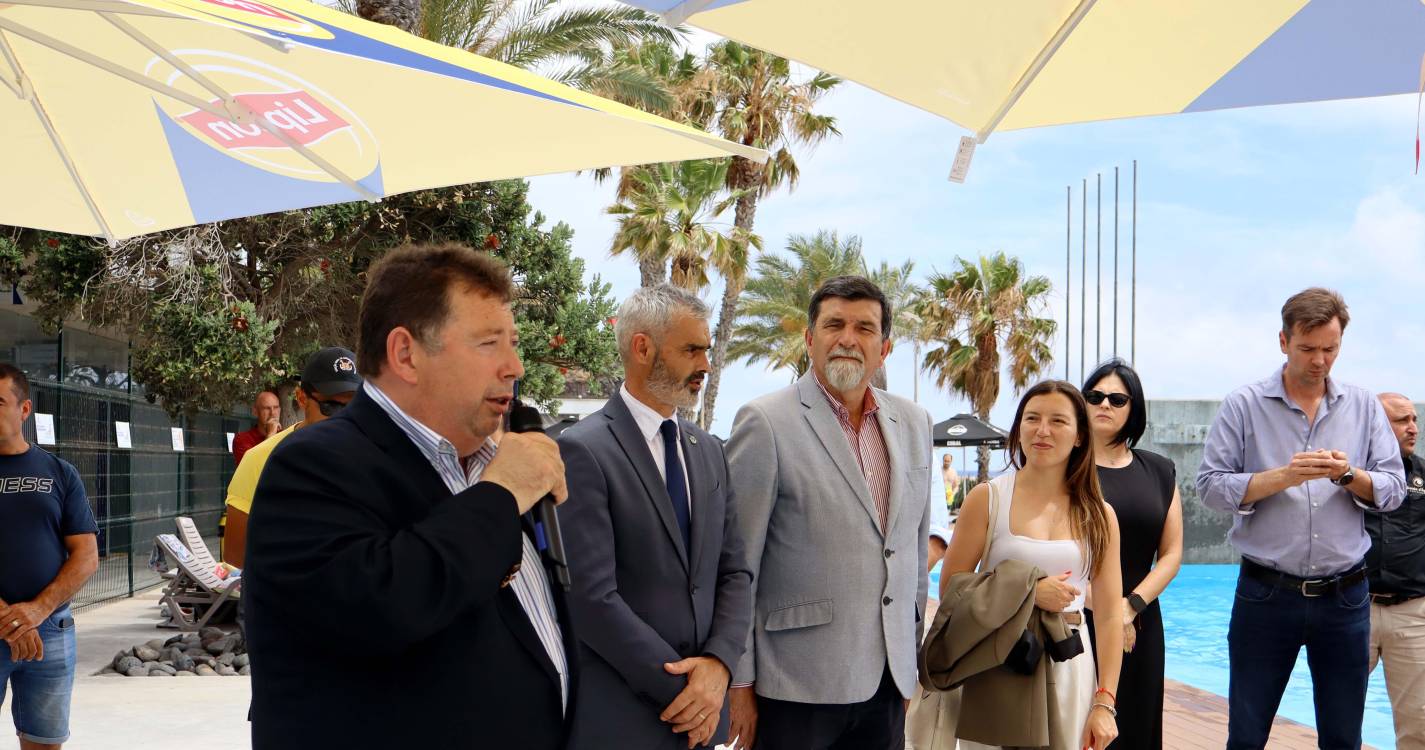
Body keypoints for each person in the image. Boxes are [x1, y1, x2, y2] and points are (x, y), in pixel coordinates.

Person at [243, 243, 574, 749]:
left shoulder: (489, 463)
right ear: (406, 354)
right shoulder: (313, 464)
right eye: (490, 343)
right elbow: (378, 606)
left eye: (513, 342)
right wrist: (502, 493)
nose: (515, 366)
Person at [726, 275, 933, 750]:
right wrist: (739, 682)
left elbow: (913, 557)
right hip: (794, 687)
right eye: (834, 324)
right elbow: (737, 565)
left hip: (887, 686)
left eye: (864, 328)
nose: (847, 338)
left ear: (884, 348)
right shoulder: (765, 422)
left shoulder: (915, 423)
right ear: (808, 339)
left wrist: (908, 659)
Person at [1197, 287, 1404, 750]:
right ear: (1283, 341)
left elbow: (1392, 490)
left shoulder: (1365, 406)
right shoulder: (1243, 405)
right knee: (1246, 738)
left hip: (1346, 597)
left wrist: (1348, 474)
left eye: (1330, 349)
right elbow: (1209, 486)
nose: (1320, 361)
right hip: (1265, 595)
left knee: (1342, 739)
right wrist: (1282, 477)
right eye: (1308, 348)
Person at [559, 285, 753, 750]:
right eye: (691, 349)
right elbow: (590, 599)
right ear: (642, 347)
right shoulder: (582, 449)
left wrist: (719, 666)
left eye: (706, 350)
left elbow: (736, 572)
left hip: (703, 715)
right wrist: (689, 692)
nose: (705, 364)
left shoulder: (708, 451)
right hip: (625, 718)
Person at [938, 380, 1122, 750]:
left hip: (1069, 663)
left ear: (1080, 436)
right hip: (999, 658)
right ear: (1019, 428)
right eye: (1032, 418)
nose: (1042, 430)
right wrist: (1029, 592)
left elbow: (1107, 615)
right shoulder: (987, 499)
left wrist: (1105, 701)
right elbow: (950, 589)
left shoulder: (1100, 515)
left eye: (1058, 421)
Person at [1081, 360, 1182, 750]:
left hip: (1139, 623)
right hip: (1075, 619)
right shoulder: (1065, 469)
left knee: (1136, 729)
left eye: (1117, 398)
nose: (1104, 405)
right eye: (1095, 396)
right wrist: (1104, 609)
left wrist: (1129, 607)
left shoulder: (1159, 470)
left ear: (1133, 408)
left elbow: (1171, 554)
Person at [0, 363, 99, 750]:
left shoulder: (59, 472)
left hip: (49, 630)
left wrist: (36, 612)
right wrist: (10, 620)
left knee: (45, 743)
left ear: (24, 410)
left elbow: (87, 555)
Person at [221, 347, 362, 568]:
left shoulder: (374, 459)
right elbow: (236, 556)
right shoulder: (259, 459)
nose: (343, 418)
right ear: (301, 398)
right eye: (330, 406)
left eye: (354, 407)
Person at [1367, 392, 1425, 750]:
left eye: (1414, 419)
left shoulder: (1423, 475)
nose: (1413, 428)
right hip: (1352, 608)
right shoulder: (1348, 474)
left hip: (1413, 613)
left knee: (1419, 720)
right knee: (1337, 710)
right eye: (1402, 420)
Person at [232, 390, 281, 466]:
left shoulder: (287, 437)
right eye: (267, 408)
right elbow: (252, 466)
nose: (272, 413)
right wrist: (271, 434)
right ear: (255, 412)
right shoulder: (242, 439)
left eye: (276, 407)